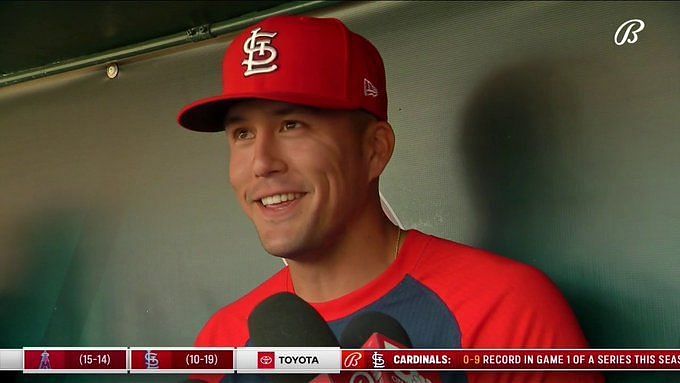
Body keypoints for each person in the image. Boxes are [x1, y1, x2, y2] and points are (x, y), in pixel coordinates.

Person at [177, 15, 603, 383]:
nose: (261, 163)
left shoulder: (505, 309)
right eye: (242, 134)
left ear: (374, 149)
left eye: (292, 124)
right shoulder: (224, 339)